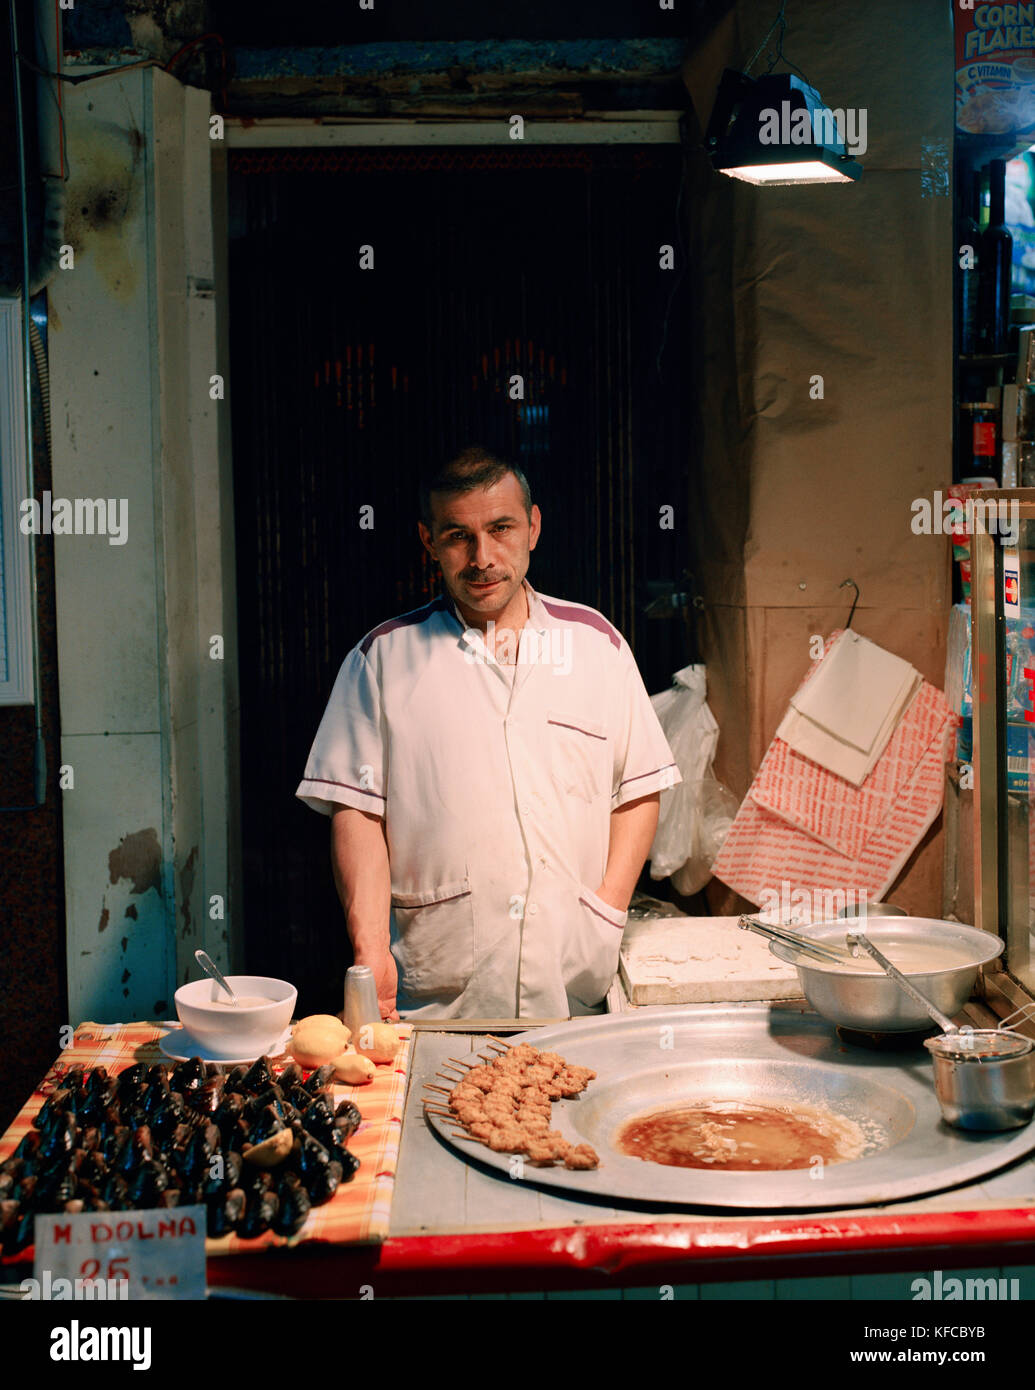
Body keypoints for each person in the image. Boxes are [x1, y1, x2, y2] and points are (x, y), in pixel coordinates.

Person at [296, 446, 680, 1019]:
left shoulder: (595, 646)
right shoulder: (382, 660)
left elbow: (639, 789)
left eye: (501, 529)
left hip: (574, 984)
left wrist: (606, 912)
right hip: (439, 991)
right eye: (458, 536)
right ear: (429, 541)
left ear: (533, 527)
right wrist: (370, 950)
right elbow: (358, 814)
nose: (482, 557)